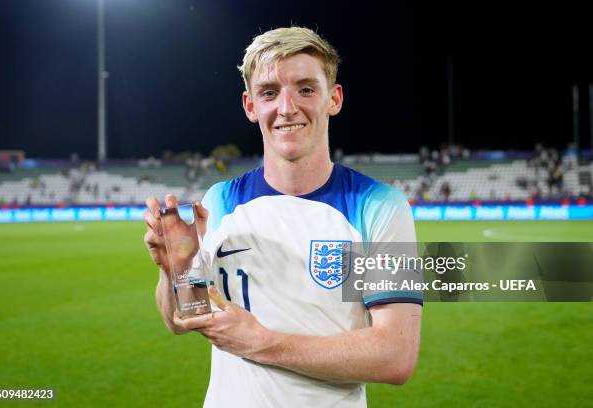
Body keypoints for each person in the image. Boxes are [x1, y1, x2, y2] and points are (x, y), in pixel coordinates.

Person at [144, 26, 422, 407]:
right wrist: (177, 269)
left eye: (306, 89)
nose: (287, 107)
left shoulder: (380, 207)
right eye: (270, 93)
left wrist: (262, 342)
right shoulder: (220, 201)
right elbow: (184, 317)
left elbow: (396, 355)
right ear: (250, 105)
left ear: (334, 98)